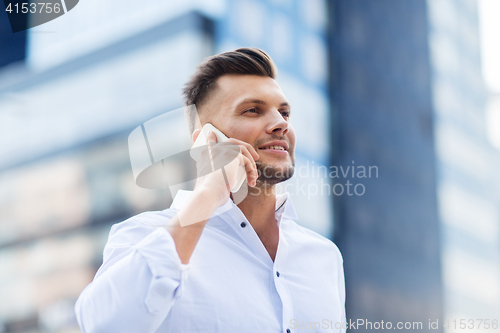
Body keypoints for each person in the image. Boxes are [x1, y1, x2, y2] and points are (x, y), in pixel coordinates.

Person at [75, 47, 346, 333]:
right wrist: (207, 194)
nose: (280, 124)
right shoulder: (144, 235)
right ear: (206, 141)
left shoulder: (324, 256)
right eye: (253, 110)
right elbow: (103, 324)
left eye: (285, 113)